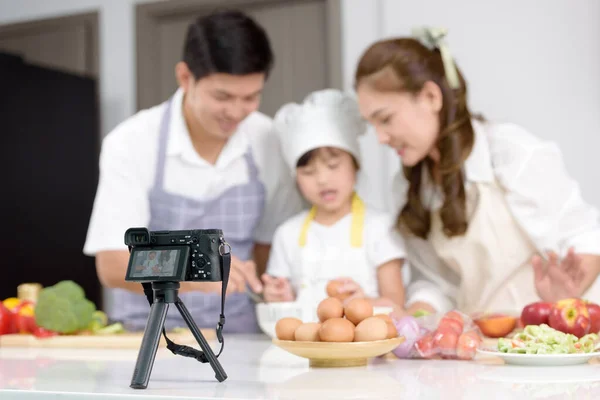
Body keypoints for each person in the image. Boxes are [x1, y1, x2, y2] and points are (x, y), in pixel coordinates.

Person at [353, 27, 600, 316]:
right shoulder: (409, 187)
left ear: (431, 97)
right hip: (483, 347)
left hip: (547, 337)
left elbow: (584, 237)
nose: (381, 138)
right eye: (372, 125)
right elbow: (437, 285)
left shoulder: (510, 153)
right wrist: (412, 316)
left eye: (386, 119)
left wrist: (569, 289)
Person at [83, 10, 303, 332]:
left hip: (237, 333)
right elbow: (114, 264)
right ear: (185, 77)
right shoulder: (131, 142)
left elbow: (269, 248)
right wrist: (201, 272)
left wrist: (272, 286)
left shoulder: (268, 139)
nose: (236, 112)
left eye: (251, 97)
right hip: (148, 335)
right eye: (222, 96)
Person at [262, 89, 409, 309]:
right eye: (308, 172)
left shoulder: (380, 228)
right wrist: (278, 296)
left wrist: (364, 302)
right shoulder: (287, 234)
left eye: (333, 166)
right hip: (307, 343)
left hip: (363, 342)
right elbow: (282, 307)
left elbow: (396, 306)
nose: (322, 180)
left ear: (355, 165)